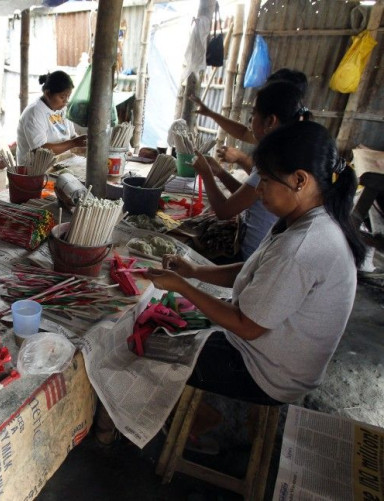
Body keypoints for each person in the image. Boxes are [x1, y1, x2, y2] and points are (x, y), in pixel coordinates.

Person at [146, 121, 365, 406]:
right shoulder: (311, 219)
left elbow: (246, 326)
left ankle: (201, 426)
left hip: (266, 374)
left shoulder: (302, 246)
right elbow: (256, 271)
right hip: (273, 355)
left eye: (265, 180)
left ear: (300, 180)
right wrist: (194, 271)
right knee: (172, 323)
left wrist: (183, 286)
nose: (258, 190)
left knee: (148, 346)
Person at [192, 80, 312, 259]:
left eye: (253, 114)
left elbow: (224, 211)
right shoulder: (286, 151)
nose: (249, 121)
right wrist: (220, 173)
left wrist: (207, 175)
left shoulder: (274, 163)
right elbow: (250, 196)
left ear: (270, 121)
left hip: (249, 257)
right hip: (258, 251)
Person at [190, 68, 307, 173]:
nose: (251, 119)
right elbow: (244, 133)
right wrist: (211, 114)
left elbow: (258, 186)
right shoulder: (280, 136)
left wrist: (241, 159)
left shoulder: (289, 153)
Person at [16, 71, 87, 165]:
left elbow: (72, 136)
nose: (66, 101)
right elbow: (40, 151)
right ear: (47, 93)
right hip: (34, 169)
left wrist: (83, 143)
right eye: (62, 97)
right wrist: (73, 143)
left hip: (61, 162)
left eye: (68, 96)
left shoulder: (62, 109)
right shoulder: (34, 113)